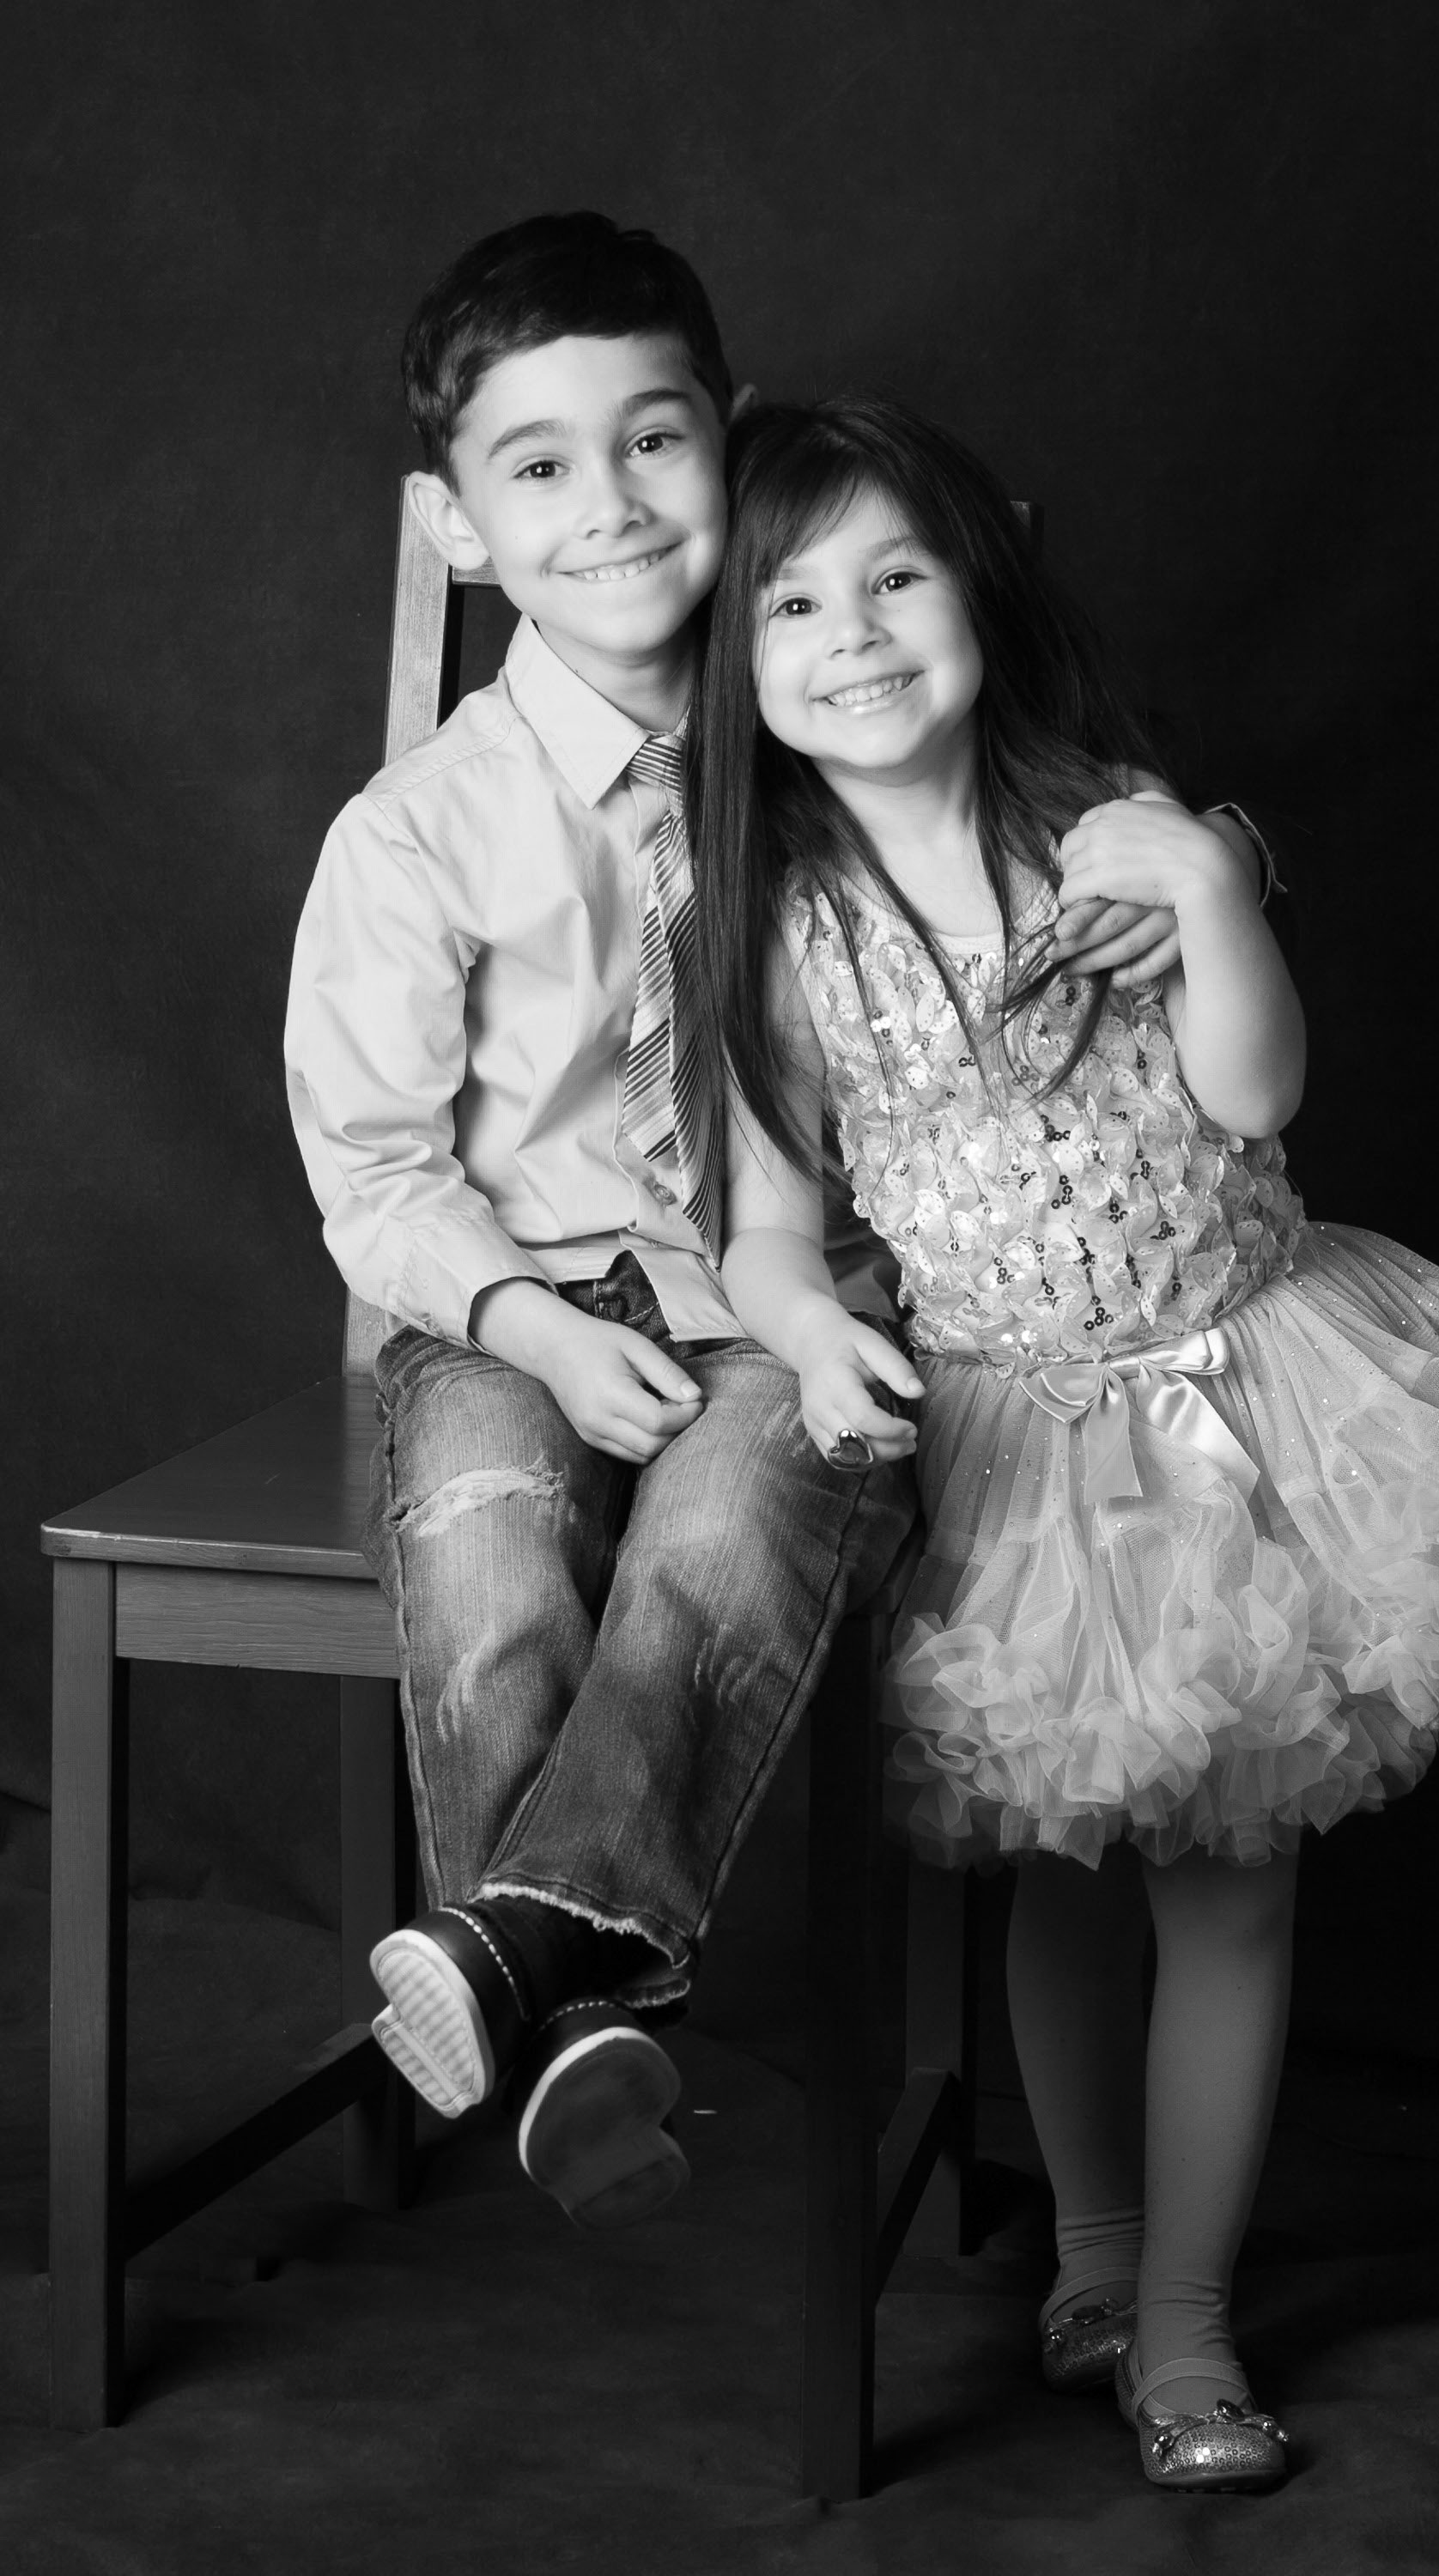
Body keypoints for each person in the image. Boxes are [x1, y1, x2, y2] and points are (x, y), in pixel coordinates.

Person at [697, 394, 1439, 2492]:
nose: (854, 635)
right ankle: (1095, 2247)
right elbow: (772, 1230)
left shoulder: (1117, 823)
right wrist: (801, 1333)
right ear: (741, 667)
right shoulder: (778, 932)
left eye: (897, 575)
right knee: (1066, 1882)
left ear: (980, 591)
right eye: (792, 601)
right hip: (1021, 1453)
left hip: (1248, 1396)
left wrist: (1215, 889)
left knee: (1230, 1890)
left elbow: (1253, 1098)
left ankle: (1186, 2332)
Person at [282, 217, 1181, 2237]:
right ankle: (585, 1986)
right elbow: (375, 1175)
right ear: (458, 524)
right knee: (499, 1566)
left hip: (786, 1303)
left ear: (737, 443)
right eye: (538, 470)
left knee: (707, 1545)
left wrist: (1202, 865)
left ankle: (520, 1960)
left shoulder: (831, 706)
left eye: (656, 443)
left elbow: (1058, 809)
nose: (606, 509)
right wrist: (521, 1322)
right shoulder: (414, 832)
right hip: (502, 1306)